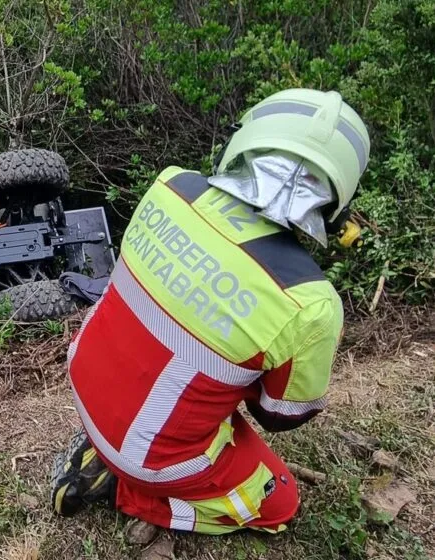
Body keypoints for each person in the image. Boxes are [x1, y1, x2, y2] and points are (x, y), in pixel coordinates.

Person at [51, 88, 370, 536]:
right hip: (143, 452)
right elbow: (281, 415)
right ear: (337, 200)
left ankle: (104, 447)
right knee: (279, 499)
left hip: (85, 376)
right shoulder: (309, 302)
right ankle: (122, 489)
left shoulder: (171, 185)